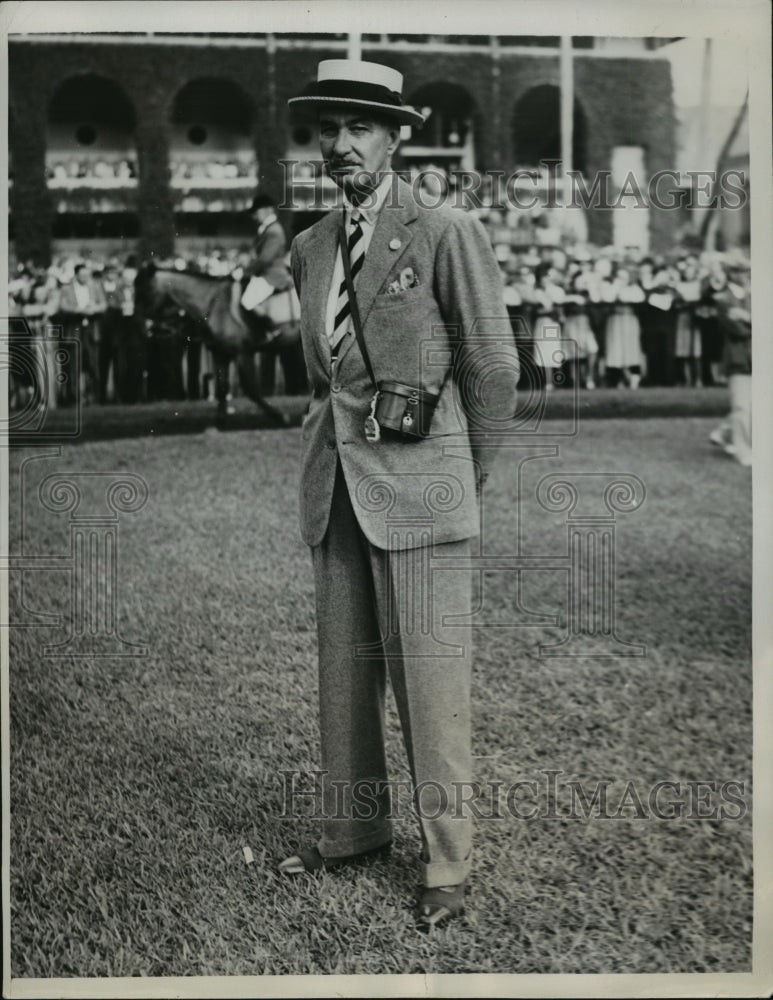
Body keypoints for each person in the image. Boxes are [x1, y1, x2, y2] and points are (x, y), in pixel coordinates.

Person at [279, 59, 520, 930]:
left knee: (430, 683)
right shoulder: (307, 245)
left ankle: (448, 863)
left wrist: (462, 475)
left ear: (395, 136)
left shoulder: (444, 228)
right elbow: (323, 376)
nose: (340, 145)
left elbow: (493, 365)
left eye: (360, 128)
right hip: (339, 488)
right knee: (343, 677)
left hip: (423, 491)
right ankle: (352, 833)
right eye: (327, 130)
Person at [57, 261, 107, 405]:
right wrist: (79, 309)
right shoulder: (67, 289)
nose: (85, 277)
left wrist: (94, 309)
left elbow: (103, 304)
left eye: (87, 274)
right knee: (74, 366)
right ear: (76, 274)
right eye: (82, 275)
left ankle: (93, 398)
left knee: (93, 364)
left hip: (91, 329)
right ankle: (74, 398)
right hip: (75, 329)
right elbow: (63, 306)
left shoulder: (95, 287)